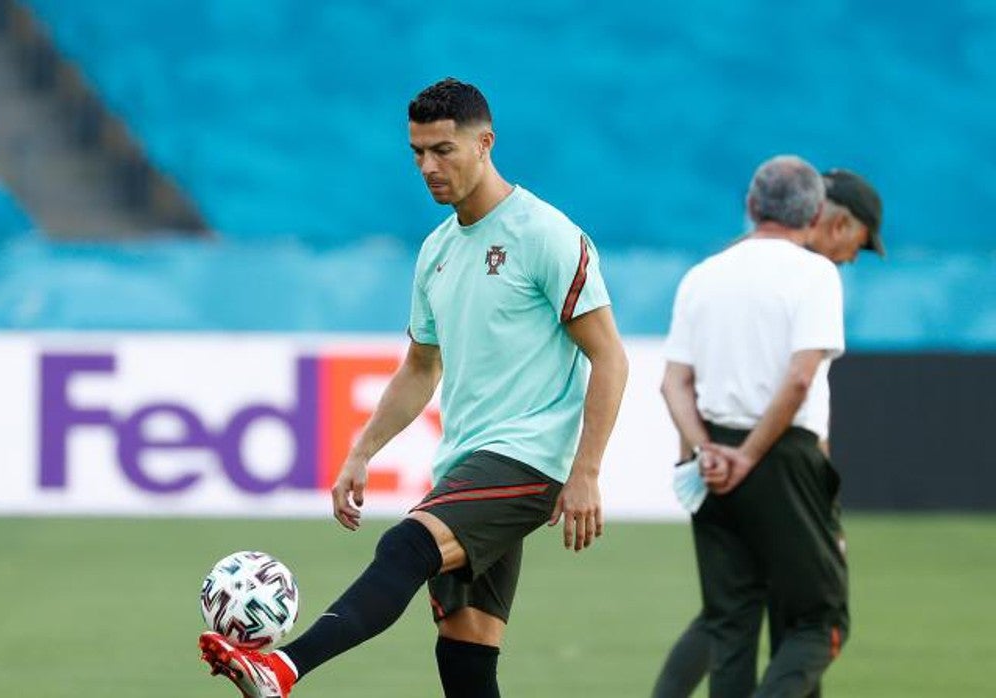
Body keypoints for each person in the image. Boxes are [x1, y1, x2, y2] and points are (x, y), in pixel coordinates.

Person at [198, 77, 629, 697]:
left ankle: (282, 668)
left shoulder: (546, 234)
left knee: (405, 548)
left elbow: (609, 356)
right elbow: (421, 367)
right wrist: (362, 451)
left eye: (442, 150)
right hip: (465, 461)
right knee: (465, 655)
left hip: (531, 458)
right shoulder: (436, 252)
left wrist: (586, 471)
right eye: (418, 152)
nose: (428, 167)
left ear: (485, 144)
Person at [651, 167, 884, 698]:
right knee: (818, 620)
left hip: (713, 452)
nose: (854, 256)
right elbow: (800, 379)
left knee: (729, 623)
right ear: (820, 214)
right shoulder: (814, 275)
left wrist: (703, 453)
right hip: (780, 456)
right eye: (860, 242)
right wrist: (751, 456)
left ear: (753, 205)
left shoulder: (704, 274)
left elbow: (673, 382)